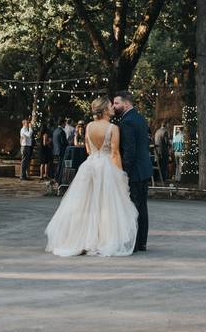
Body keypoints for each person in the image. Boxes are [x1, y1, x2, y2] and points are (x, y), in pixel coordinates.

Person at [45, 97, 138, 257]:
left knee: (85, 204)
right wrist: (120, 175)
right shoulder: (113, 128)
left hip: (90, 165)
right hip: (106, 166)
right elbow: (115, 153)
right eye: (110, 106)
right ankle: (101, 239)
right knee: (105, 205)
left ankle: (81, 240)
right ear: (104, 110)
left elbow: (88, 149)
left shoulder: (89, 127)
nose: (112, 108)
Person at [113, 91, 153, 252]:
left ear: (126, 104)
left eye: (116, 103)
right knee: (142, 207)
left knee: (134, 208)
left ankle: (135, 243)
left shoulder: (127, 122)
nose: (114, 106)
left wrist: (124, 173)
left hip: (135, 171)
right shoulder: (140, 118)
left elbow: (129, 151)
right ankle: (142, 242)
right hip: (144, 169)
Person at [52, 119, 69, 185]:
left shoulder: (55, 131)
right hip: (61, 151)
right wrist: (68, 143)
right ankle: (58, 179)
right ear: (62, 124)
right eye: (64, 123)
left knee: (56, 166)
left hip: (55, 151)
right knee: (60, 166)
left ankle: (56, 178)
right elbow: (64, 142)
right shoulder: (61, 131)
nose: (65, 125)